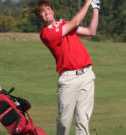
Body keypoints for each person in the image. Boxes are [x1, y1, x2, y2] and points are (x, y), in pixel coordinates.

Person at [34, 0, 100, 135]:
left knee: (83, 118)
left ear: (52, 11)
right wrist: (87, 3)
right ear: (40, 17)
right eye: (42, 11)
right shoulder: (46, 34)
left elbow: (90, 31)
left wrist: (95, 9)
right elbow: (75, 23)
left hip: (86, 74)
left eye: (48, 9)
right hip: (68, 79)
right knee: (65, 120)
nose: (46, 13)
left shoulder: (64, 23)